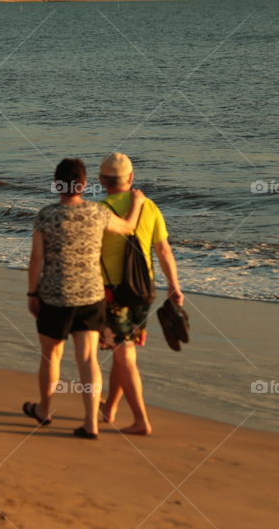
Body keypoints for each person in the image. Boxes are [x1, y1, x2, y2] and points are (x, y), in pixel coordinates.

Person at [24, 158, 145, 439]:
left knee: (51, 356)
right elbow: (128, 227)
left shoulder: (45, 215)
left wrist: (32, 292)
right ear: (84, 184)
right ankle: (91, 422)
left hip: (54, 295)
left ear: (57, 184)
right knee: (88, 359)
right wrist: (137, 202)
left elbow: (36, 259)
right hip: (91, 295)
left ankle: (44, 410)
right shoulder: (97, 212)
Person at [98, 152, 183, 436]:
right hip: (144, 288)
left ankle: (140, 420)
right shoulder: (149, 206)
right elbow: (163, 250)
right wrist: (174, 285)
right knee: (124, 350)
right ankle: (109, 409)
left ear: (101, 180)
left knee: (124, 354)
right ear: (131, 178)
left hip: (113, 292)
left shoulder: (99, 209)